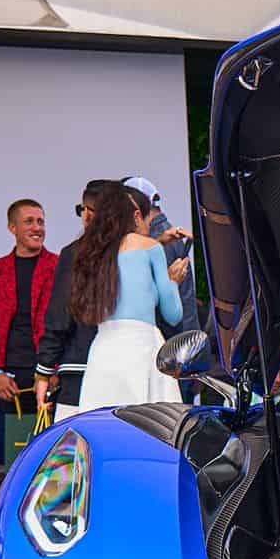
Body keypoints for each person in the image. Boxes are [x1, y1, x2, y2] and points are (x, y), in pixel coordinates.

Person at [41, 182, 183, 411]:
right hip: (143, 347)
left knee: (100, 420)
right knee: (148, 422)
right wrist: (173, 282)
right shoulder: (150, 247)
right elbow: (173, 314)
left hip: (103, 348)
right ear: (135, 216)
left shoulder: (93, 252)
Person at [0, 198, 57, 449]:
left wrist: (53, 371)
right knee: (13, 456)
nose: (37, 228)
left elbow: (68, 324)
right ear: (12, 228)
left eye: (41, 222)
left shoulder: (60, 266)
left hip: (49, 375)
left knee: (53, 455)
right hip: (7, 380)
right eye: (29, 222)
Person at [35, 180, 111, 414]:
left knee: (74, 436)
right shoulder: (135, 253)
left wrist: (44, 370)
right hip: (125, 369)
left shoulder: (74, 254)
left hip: (79, 367)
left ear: (88, 213)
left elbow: (60, 317)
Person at [121, 176, 198, 339]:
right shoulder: (161, 236)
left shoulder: (152, 241)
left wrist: (171, 283)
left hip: (172, 342)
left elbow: (171, 313)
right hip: (179, 339)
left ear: (136, 213)